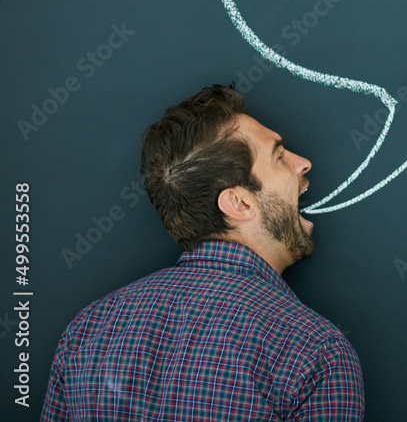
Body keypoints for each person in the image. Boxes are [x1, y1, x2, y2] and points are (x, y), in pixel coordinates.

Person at [40, 84, 364, 420]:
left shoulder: (87, 331)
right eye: (279, 156)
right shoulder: (313, 352)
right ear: (238, 203)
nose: (303, 163)